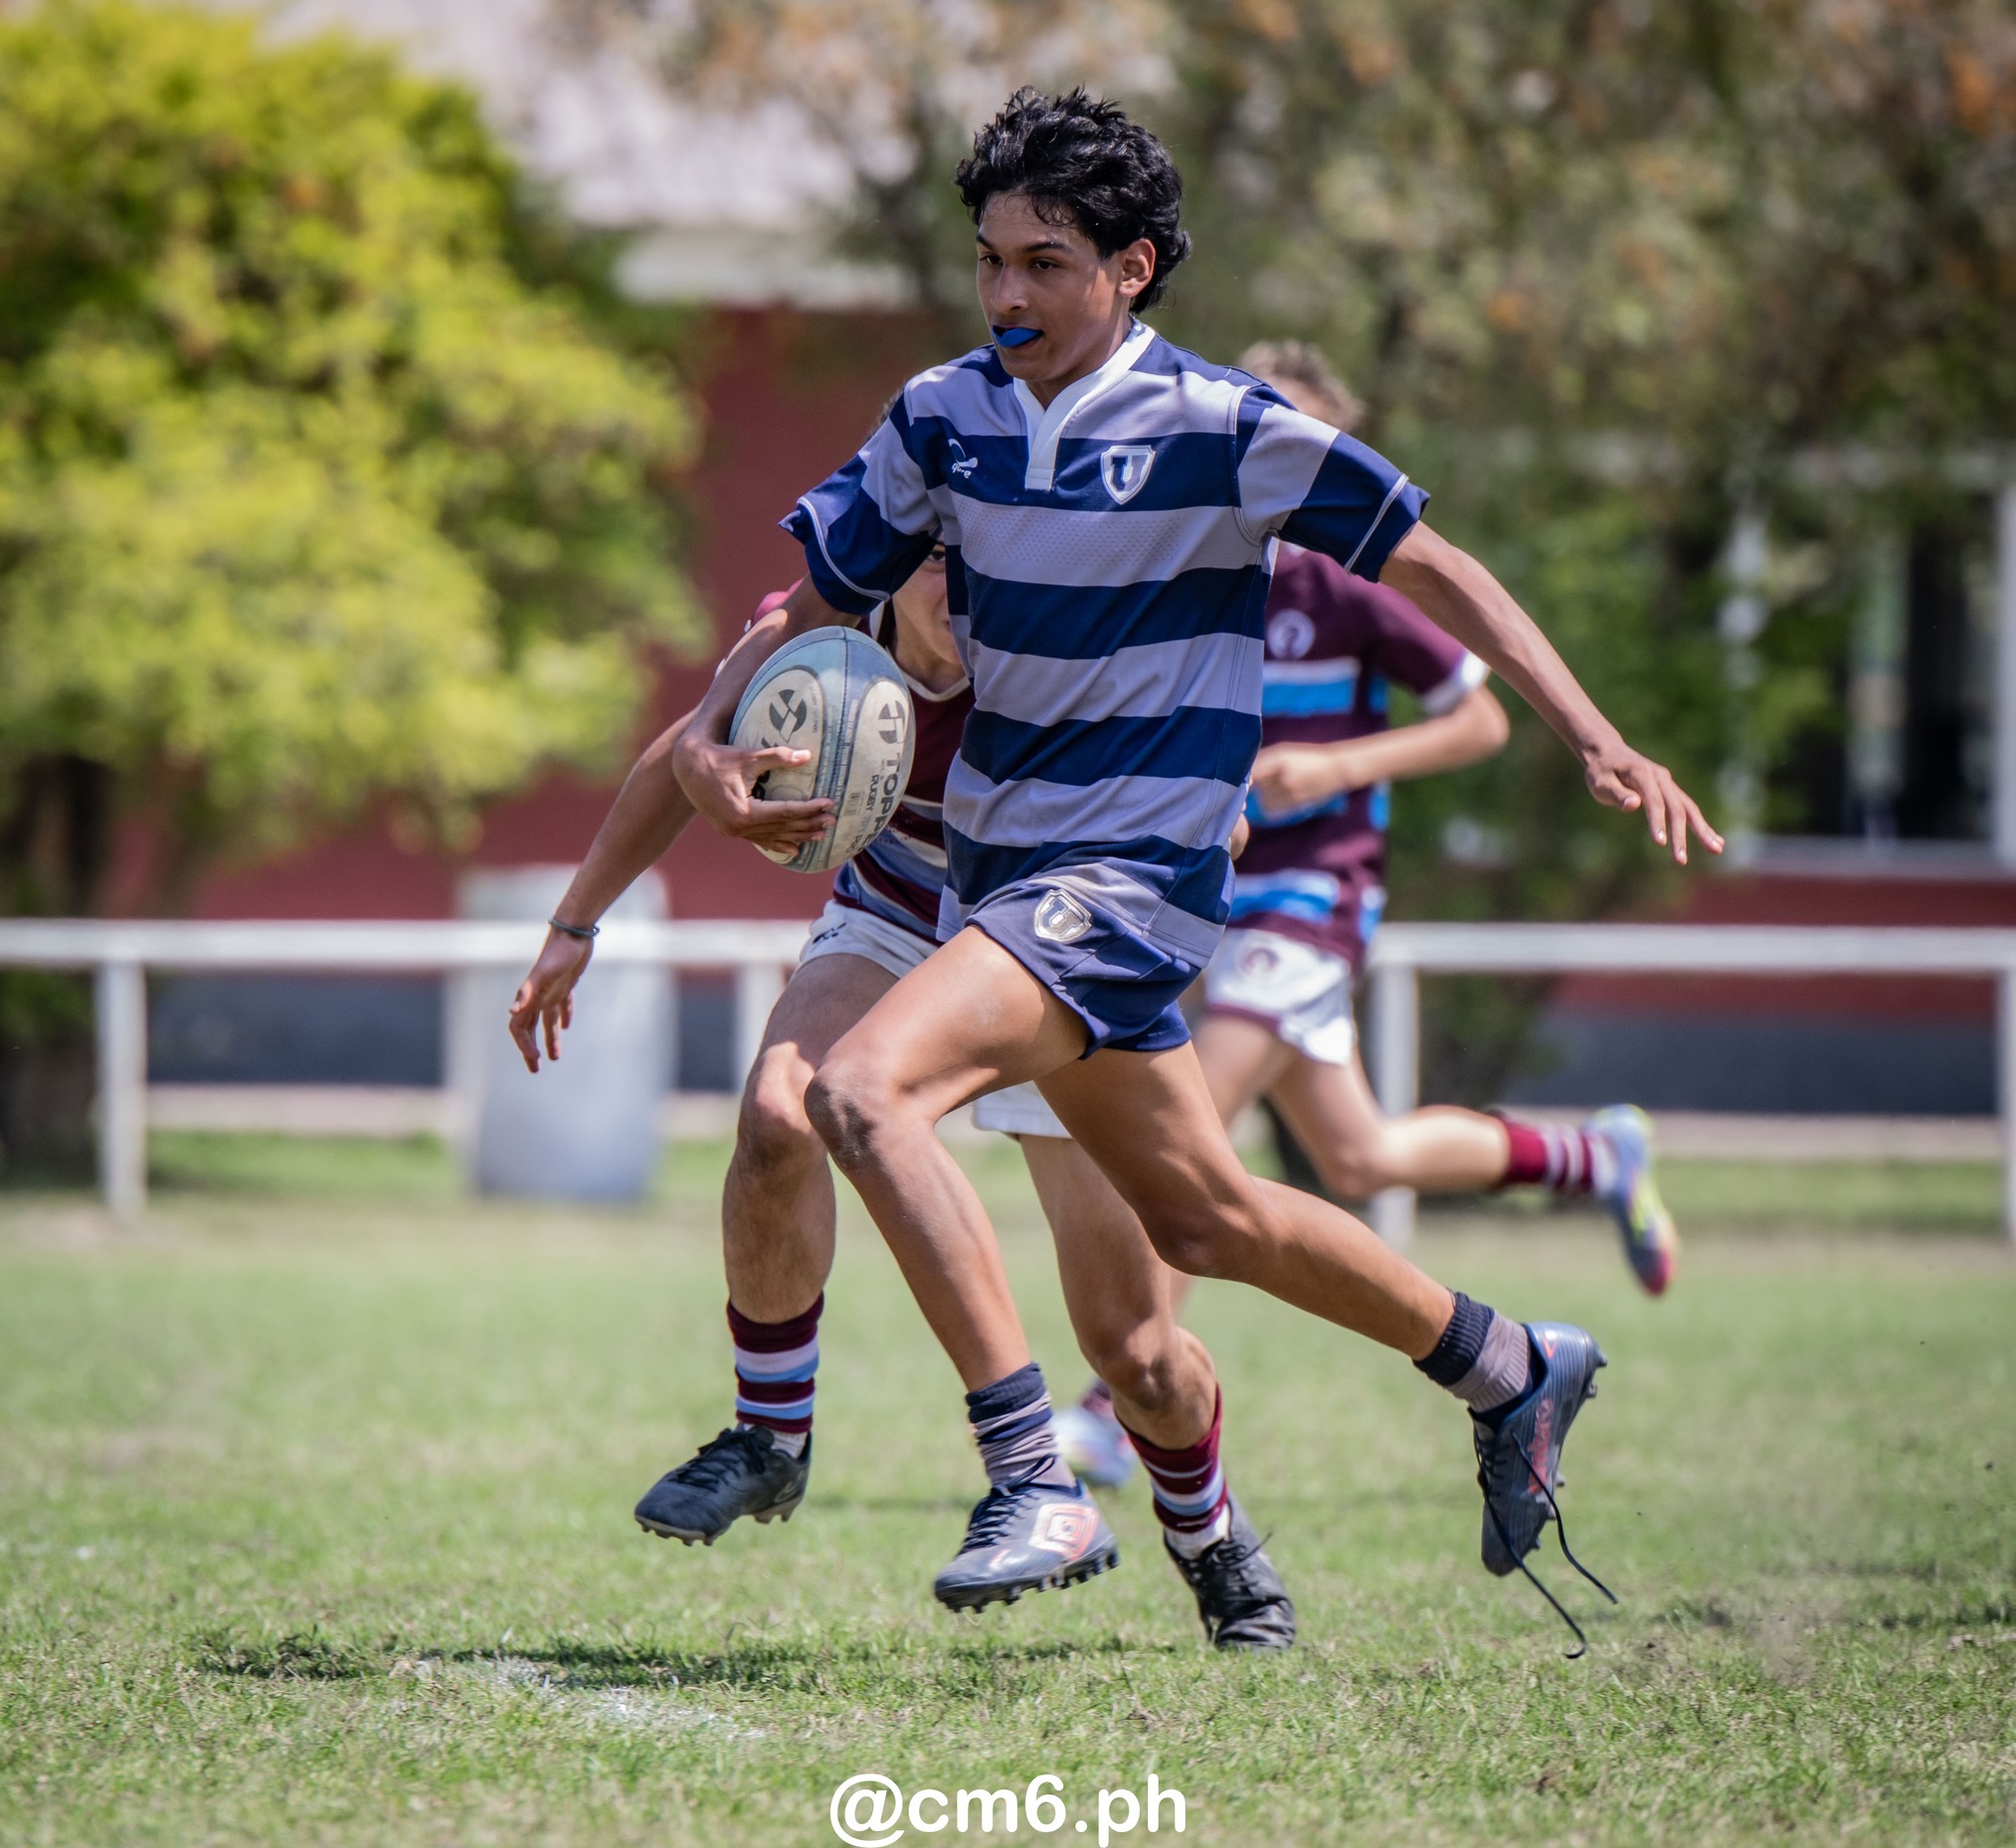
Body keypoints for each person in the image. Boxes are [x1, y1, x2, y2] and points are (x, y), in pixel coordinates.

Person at [669, 88, 1721, 1619]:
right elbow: (816, 603)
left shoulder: (1227, 429)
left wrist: (1593, 735)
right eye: (989, 260)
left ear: (1132, 267)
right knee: (1201, 1224)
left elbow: (1442, 568)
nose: (1005, 293)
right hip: (996, 880)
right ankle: (1510, 1366)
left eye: (1042, 262)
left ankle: (1032, 1478)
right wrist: (707, 740)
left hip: (1130, 881)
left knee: (854, 1090)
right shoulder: (939, 417)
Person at [509, 553, 1298, 1647]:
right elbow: (680, 755)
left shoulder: (1056, 644)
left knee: (1135, 1350)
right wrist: (573, 923)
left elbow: (1208, 787)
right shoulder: (816, 630)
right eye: (952, 567)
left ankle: (1210, 1537)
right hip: (892, 913)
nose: (981, 592)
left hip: (1053, 946)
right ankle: (770, 1434)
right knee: (780, 1114)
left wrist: (1194, 819)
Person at [987, 342, 1679, 1492]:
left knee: (1186, 1130)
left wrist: (1337, 763)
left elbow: (1478, 723)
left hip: (1314, 893)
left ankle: (1116, 1404)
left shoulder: (1354, 584)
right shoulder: (1184, 566)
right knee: (1358, 1151)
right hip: (1205, 886)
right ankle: (1591, 1153)